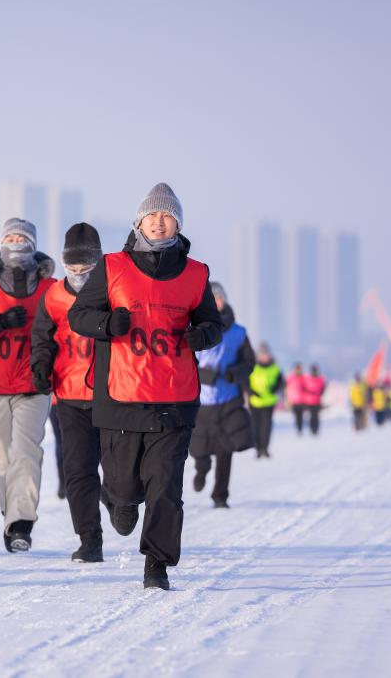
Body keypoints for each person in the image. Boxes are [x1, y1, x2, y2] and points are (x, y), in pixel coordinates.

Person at [68, 183, 223, 590]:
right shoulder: (112, 266)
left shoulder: (196, 273)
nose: (159, 221)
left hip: (174, 396)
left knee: (165, 486)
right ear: (139, 222)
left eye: (167, 215)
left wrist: (202, 335)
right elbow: (78, 315)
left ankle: (157, 563)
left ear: (178, 224)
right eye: (152, 214)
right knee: (123, 487)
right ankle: (119, 501)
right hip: (122, 395)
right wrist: (107, 324)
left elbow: (213, 323)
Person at [0, 218, 56, 552]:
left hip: (35, 384)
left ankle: (21, 524)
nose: (16, 243)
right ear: (1, 243)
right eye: (11, 238)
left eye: (22, 238)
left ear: (33, 244)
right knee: (0, 455)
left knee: (26, 451)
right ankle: (10, 509)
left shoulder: (51, 287)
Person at [31, 222, 104, 562]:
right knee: (78, 470)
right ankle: (89, 541)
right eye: (71, 267)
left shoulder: (114, 293)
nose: (78, 274)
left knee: (117, 471)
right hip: (69, 396)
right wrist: (40, 368)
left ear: (98, 263)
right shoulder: (54, 297)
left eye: (85, 267)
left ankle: (117, 500)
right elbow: (42, 339)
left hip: (113, 394)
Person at [189, 282, 254, 508]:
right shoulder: (193, 328)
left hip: (228, 400)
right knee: (199, 448)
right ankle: (201, 468)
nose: (217, 302)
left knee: (225, 450)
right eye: (212, 297)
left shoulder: (239, 332)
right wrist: (203, 374)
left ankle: (220, 496)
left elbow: (249, 363)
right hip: (200, 400)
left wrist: (234, 374)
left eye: (220, 297)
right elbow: (180, 361)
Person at [248, 342, 284, 458]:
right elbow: (246, 382)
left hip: (269, 402)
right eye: (262, 354)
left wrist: (275, 389)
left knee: (266, 427)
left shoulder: (275, 368)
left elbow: (281, 382)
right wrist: (252, 392)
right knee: (255, 426)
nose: (264, 357)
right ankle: (258, 449)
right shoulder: (252, 366)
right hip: (255, 401)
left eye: (266, 354)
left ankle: (265, 448)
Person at [301, 364, 326, 436]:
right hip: (309, 401)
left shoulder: (320, 379)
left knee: (316, 416)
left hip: (317, 400)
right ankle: (312, 429)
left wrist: (318, 394)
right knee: (312, 416)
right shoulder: (307, 379)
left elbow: (323, 388)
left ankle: (316, 429)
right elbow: (304, 388)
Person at [287, 362, 307, 435]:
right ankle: (298, 429)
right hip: (294, 401)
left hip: (302, 400)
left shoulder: (304, 378)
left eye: (299, 369)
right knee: (296, 416)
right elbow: (288, 389)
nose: (298, 370)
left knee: (301, 416)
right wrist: (288, 399)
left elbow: (306, 388)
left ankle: (300, 429)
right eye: (297, 369)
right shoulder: (291, 378)